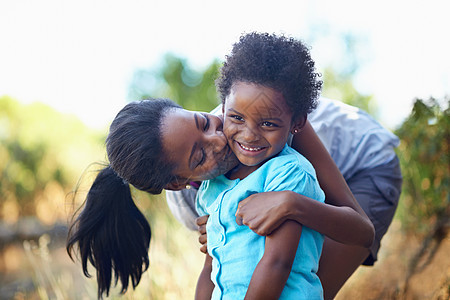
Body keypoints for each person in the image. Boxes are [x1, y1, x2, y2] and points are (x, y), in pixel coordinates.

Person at [167, 38, 402, 299]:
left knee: (298, 286)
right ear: (179, 183)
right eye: (200, 159)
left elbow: (361, 230)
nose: (218, 139)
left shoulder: (255, 115)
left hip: (367, 164)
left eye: (208, 124)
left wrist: (292, 202)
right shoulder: (191, 194)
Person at [194, 32, 326, 299]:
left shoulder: (289, 174)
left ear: (297, 123)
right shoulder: (213, 185)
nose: (249, 134)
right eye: (237, 118)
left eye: (268, 124)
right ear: (222, 108)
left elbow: (277, 263)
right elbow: (211, 268)